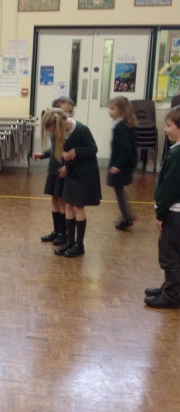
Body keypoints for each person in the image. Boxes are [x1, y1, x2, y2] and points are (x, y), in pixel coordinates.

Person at [41, 108, 101, 258]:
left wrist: (76, 151)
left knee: (78, 207)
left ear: (61, 124)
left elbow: (93, 148)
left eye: (53, 131)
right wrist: (64, 158)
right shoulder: (61, 133)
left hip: (85, 174)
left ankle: (79, 245)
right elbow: (60, 149)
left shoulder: (81, 130)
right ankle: (70, 241)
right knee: (68, 206)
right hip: (72, 172)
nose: (53, 134)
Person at [144, 105, 180, 309]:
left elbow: (169, 187)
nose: (165, 129)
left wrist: (160, 213)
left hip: (175, 213)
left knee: (169, 255)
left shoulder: (177, 154)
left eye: (169, 125)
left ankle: (172, 295)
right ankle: (170, 287)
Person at [33, 96, 75, 246]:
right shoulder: (53, 130)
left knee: (63, 201)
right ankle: (56, 231)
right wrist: (43, 154)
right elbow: (54, 149)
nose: (68, 115)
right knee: (54, 199)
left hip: (63, 169)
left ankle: (64, 233)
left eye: (70, 111)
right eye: (65, 111)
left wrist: (67, 167)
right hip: (53, 168)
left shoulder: (68, 131)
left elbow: (71, 152)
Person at [107, 96, 138, 230]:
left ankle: (126, 217)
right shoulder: (124, 125)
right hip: (124, 163)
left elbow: (126, 149)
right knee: (119, 189)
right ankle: (127, 215)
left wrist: (117, 165)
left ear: (120, 110)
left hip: (122, 165)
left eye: (112, 108)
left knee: (119, 189)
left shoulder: (121, 127)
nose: (109, 111)